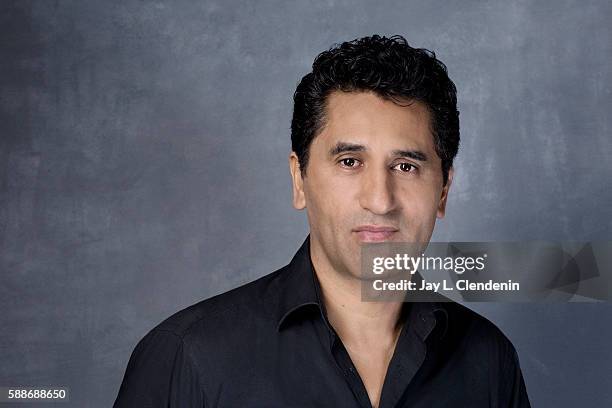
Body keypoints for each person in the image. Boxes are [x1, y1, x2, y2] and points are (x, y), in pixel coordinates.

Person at [113, 35, 531, 407]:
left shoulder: (489, 360)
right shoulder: (188, 356)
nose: (380, 200)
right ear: (300, 179)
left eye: (405, 167)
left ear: (442, 191)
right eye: (350, 162)